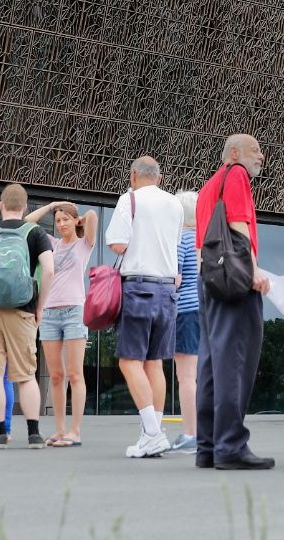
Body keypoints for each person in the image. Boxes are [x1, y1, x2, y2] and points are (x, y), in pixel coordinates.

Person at [195, 133, 275, 471]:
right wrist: (253, 271)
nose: (261, 156)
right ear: (233, 153)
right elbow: (238, 226)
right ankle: (231, 446)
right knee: (235, 362)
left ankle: (208, 447)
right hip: (234, 281)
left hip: (209, 279)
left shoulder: (207, 187)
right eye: (255, 150)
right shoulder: (237, 174)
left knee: (211, 364)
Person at [105, 156, 184, 459]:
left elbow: (117, 243)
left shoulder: (130, 199)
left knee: (129, 361)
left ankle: (151, 433)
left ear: (133, 175)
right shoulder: (175, 205)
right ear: (160, 178)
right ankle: (154, 432)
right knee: (155, 363)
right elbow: (174, 244)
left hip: (138, 286)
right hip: (167, 289)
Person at [0, 184, 54, 450]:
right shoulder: (36, 233)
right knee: (26, 375)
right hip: (23, 309)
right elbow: (49, 271)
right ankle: (34, 434)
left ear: (0, 206)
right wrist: (40, 306)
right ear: (25, 207)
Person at [26, 199, 97, 448]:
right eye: (58, 221)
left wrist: (78, 217)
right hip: (50, 313)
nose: (61, 223)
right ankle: (58, 429)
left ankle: (75, 431)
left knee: (75, 373)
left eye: (65, 219)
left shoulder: (84, 245)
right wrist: (51, 205)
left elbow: (92, 215)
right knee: (56, 375)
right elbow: (26, 224)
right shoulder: (52, 245)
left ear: (74, 220)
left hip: (74, 311)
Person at [172, 191, 202, 453]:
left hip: (184, 311)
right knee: (202, 374)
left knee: (186, 377)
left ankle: (190, 434)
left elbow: (176, 279)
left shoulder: (180, 239)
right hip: (206, 310)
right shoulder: (203, 241)